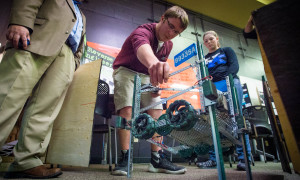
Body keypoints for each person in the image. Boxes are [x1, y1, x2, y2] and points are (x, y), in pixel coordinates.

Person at [0, 0, 86, 178]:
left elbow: (81, 42)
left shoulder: (82, 14)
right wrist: (21, 21)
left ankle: (27, 161)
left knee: (45, 110)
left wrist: (75, 61)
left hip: (66, 56)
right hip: (36, 39)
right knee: (8, 96)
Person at [112, 6, 189, 176]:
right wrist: (154, 64)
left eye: (176, 32)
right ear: (162, 18)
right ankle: (126, 157)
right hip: (126, 70)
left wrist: (156, 84)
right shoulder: (143, 31)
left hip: (147, 76)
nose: (171, 33)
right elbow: (142, 50)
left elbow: (157, 70)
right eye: (170, 26)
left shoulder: (168, 45)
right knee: (127, 109)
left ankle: (157, 158)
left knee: (158, 113)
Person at [196, 30, 251, 171]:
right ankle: (214, 159)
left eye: (211, 39)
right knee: (212, 122)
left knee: (236, 117)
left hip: (230, 82)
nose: (208, 42)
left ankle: (245, 158)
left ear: (217, 38)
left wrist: (227, 81)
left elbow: (234, 67)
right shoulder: (204, 57)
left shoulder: (227, 50)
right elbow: (203, 75)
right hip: (213, 87)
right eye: (206, 41)